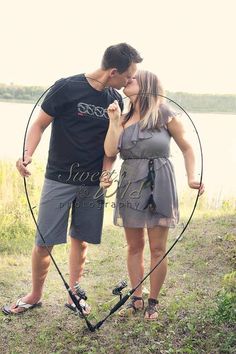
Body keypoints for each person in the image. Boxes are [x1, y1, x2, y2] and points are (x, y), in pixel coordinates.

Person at [2, 43, 143, 315]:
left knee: (82, 239)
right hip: (59, 179)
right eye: (128, 75)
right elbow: (39, 124)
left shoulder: (114, 99)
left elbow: (110, 145)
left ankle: (73, 295)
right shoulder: (66, 87)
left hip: (92, 184)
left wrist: (106, 169)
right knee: (44, 242)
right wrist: (27, 154)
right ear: (113, 71)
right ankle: (34, 295)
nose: (129, 81)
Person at [103, 70, 205, 320]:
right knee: (134, 246)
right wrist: (114, 122)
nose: (127, 81)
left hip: (160, 182)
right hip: (130, 184)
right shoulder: (122, 117)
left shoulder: (165, 113)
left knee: (158, 248)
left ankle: (153, 302)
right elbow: (109, 152)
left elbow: (187, 147)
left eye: (133, 79)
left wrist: (192, 177)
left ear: (147, 85)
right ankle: (137, 296)